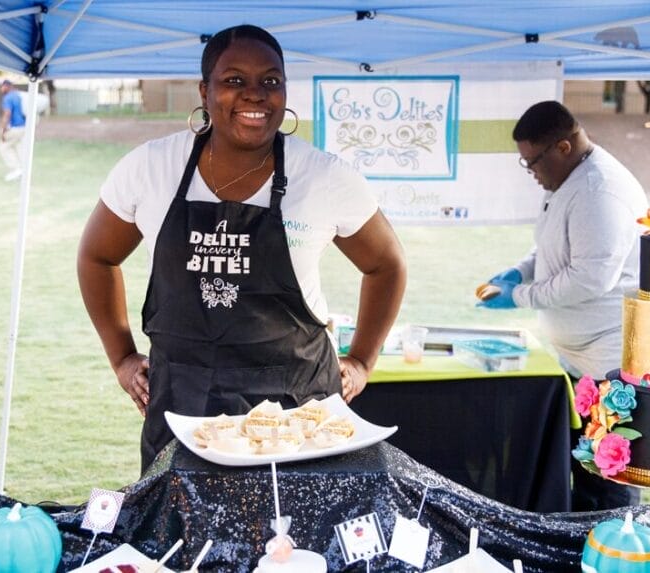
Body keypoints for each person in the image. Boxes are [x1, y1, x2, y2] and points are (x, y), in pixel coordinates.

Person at [77, 25, 407, 471]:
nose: (255, 95)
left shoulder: (324, 177)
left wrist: (363, 361)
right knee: (182, 534)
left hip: (297, 408)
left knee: (297, 537)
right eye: (234, 80)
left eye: (270, 81)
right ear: (204, 90)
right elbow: (97, 256)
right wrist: (121, 357)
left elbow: (386, 265)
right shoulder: (151, 167)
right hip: (183, 404)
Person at [477, 101, 647, 511]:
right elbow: (551, 247)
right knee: (579, 469)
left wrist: (519, 297)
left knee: (606, 480)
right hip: (578, 358)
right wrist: (520, 271)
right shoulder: (568, 181)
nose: (531, 172)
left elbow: (591, 277)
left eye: (532, 161)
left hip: (610, 365)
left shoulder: (599, 191)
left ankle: (610, 553)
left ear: (564, 148)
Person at [0, 79, 26, 181]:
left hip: (15, 127)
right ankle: (23, 170)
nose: (1, 89)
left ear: (7, 86)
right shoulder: (18, 96)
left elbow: (7, 114)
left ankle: (16, 169)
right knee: (18, 147)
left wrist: (3, 131)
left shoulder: (8, 98)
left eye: (2, 86)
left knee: (3, 147)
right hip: (23, 127)